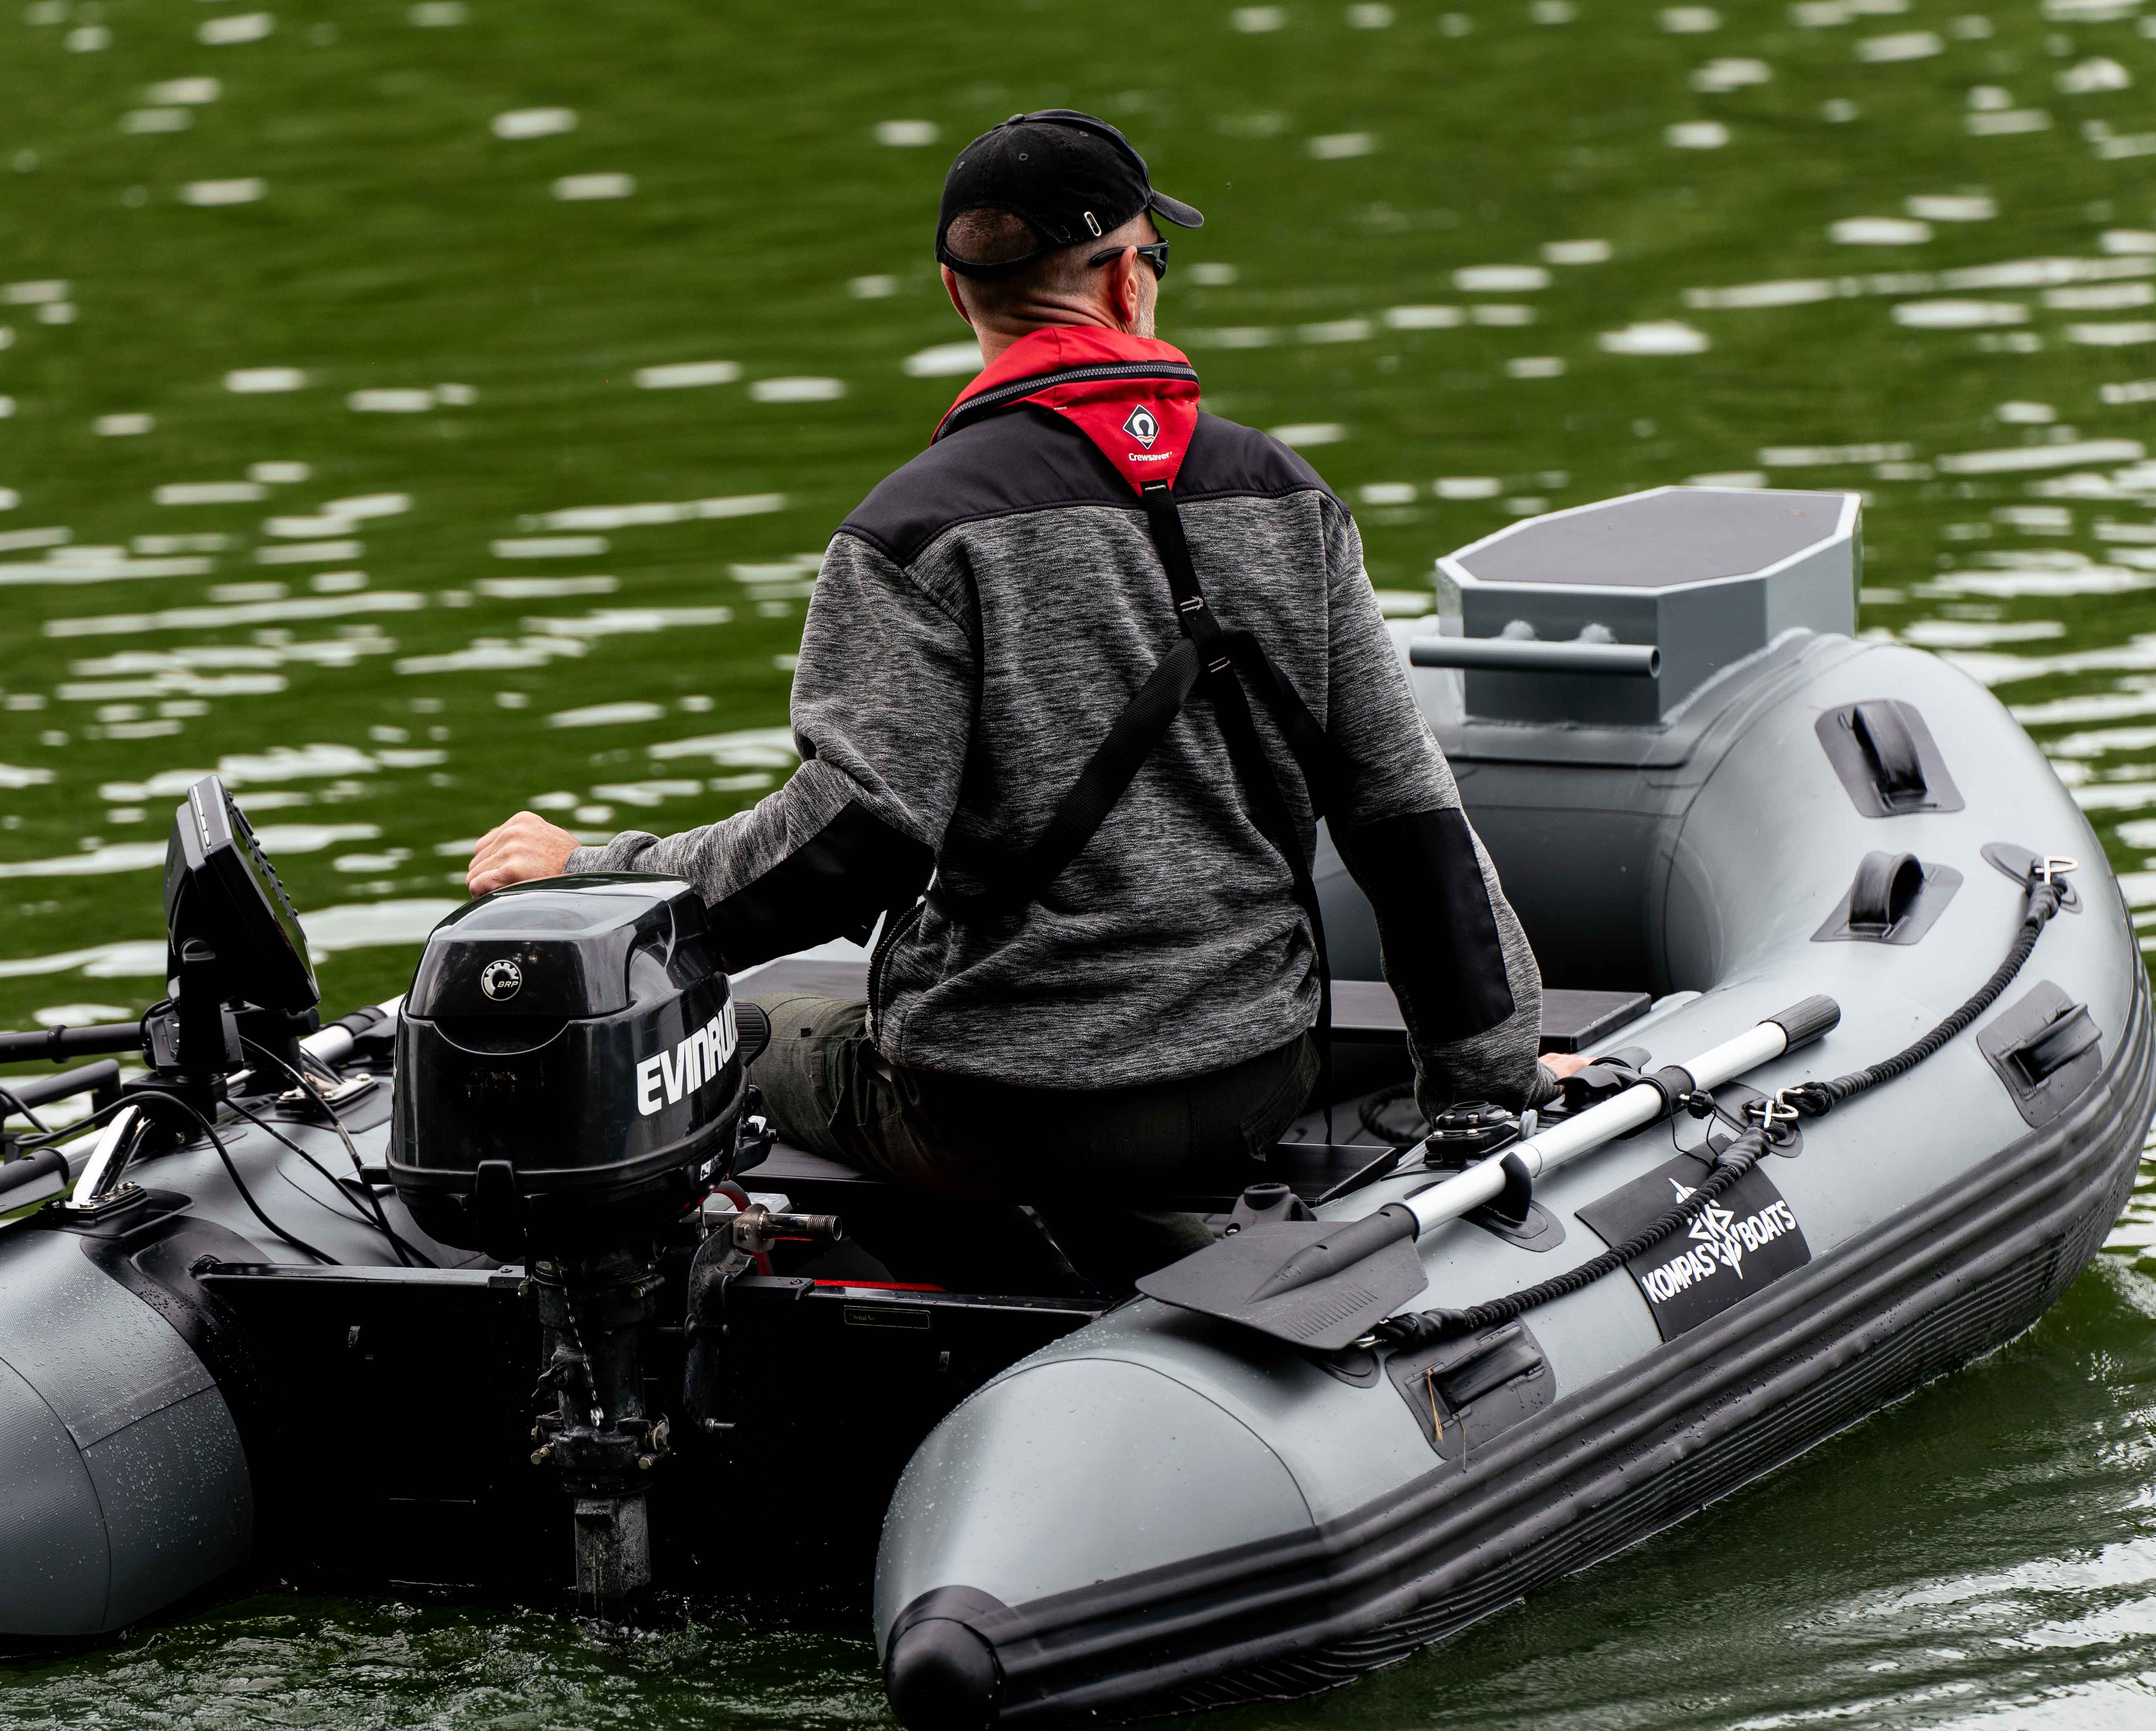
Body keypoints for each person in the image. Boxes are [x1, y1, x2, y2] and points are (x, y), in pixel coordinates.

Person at [464, 110, 1562, 1280]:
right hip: (1252, 1081)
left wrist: (601, 878)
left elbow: (849, 850)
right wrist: (1488, 1083)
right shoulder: (1291, 499)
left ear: (957, 295)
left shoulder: (912, 531)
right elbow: (1407, 817)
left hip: (1001, 1116)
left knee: (757, 1030)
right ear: (1132, 279)